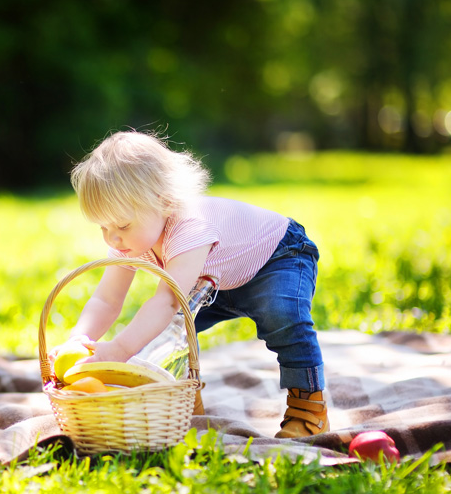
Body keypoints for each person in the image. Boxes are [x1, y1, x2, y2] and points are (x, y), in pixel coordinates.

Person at [53, 129, 328, 439]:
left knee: (282, 317)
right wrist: (79, 338)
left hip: (277, 258)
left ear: (162, 201)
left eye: (122, 225)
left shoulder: (188, 227)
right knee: (168, 337)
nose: (113, 238)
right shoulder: (129, 238)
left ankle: (308, 407)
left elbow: (168, 300)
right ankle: (183, 404)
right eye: (103, 227)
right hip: (216, 278)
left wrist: (119, 348)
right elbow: (107, 299)